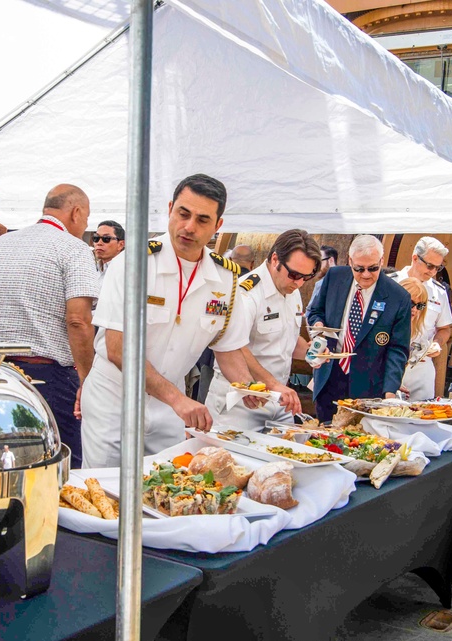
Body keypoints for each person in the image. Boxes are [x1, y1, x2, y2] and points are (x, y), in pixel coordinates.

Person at [80, 174, 256, 468]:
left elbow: (228, 349)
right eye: (183, 214)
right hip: (115, 398)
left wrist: (249, 390)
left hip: (170, 406)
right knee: (107, 492)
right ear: (171, 209)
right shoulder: (134, 262)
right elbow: (117, 348)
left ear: (218, 226)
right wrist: (178, 399)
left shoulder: (226, 278)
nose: (189, 227)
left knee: (165, 487)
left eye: (202, 220)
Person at [0, 184, 98, 469]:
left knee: (1, 464)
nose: (84, 225)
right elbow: (78, 320)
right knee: (58, 467)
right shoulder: (74, 249)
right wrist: (88, 379)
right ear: (76, 212)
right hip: (48, 378)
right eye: (86, 218)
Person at [205, 229, 320, 430]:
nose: (299, 283)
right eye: (294, 274)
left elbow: (287, 340)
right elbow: (234, 346)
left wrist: (312, 352)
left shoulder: (292, 290)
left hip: (279, 401)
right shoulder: (246, 292)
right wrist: (273, 385)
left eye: (306, 277)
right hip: (240, 402)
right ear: (275, 259)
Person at [307, 235, 412, 422]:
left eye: (373, 268)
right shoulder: (334, 277)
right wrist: (319, 328)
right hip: (329, 376)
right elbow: (316, 311)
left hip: (369, 385)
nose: (366, 274)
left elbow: (398, 350)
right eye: (359, 268)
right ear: (350, 261)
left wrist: (390, 392)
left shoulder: (398, 297)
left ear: (382, 261)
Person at [393, 237, 452, 400]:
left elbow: (445, 328)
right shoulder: (392, 283)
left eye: (438, 267)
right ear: (415, 258)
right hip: (392, 362)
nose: (433, 272)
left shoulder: (439, 292)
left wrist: (436, 343)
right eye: (430, 266)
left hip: (422, 366)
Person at [398, 277, 438, 380]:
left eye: (420, 305)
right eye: (411, 304)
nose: (415, 309)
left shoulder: (419, 330)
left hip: (417, 380)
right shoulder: (382, 326)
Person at [308, 245, 338, 310]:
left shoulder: (321, 284)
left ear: (331, 260)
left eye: (319, 262)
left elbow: (309, 311)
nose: (316, 267)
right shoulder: (346, 281)